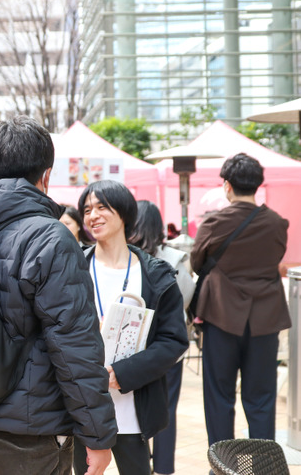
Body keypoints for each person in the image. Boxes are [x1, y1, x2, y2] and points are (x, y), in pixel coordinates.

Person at [0, 115, 117, 475]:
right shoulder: (50, 238)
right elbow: (74, 346)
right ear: (46, 176)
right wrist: (98, 437)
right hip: (26, 434)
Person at [74, 181, 188, 475]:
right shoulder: (73, 268)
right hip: (82, 406)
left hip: (133, 409)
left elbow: (173, 341)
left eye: (101, 207)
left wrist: (124, 373)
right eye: (87, 210)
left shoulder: (155, 274)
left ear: (123, 212)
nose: (92, 216)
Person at [190, 153, 290, 448]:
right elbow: (275, 259)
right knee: (261, 397)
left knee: (219, 396)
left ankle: (221, 465)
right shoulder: (276, 223)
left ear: (227, 186)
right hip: (265, 319)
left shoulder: (213, 223)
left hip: (221, 315)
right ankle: (262, 465)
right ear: (257, 186)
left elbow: (198, 263)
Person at [130, 200, 195, 475]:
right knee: (166, 408)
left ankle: (139, 462)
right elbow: (187, 297)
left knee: (134, 410)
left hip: (132, 349)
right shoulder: (175, 258)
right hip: (168, 349)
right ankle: (165, 467)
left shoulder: (127, 258)